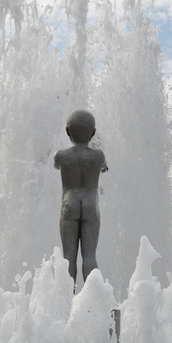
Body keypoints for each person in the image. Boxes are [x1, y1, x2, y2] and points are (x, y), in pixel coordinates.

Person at [54, 110, 108, 284]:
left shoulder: (61, 155)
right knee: (90, 256)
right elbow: (104, 166)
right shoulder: (99, 156)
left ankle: (65, 304)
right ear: (92, 133)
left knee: (68, 257)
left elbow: (56, 166)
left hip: (69, 204)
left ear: (68, 131)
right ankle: (93, 302)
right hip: (91, 205)